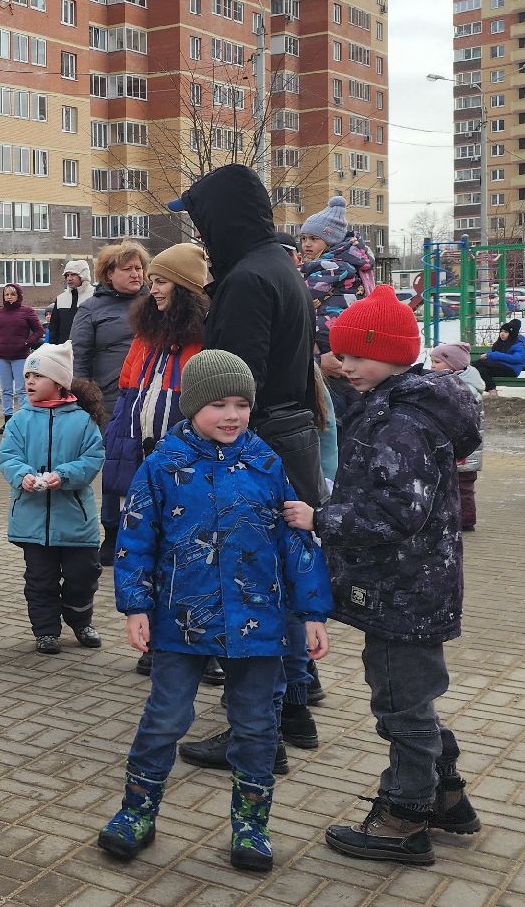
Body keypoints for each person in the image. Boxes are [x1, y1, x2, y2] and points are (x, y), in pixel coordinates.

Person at [100, 349, 332, 873]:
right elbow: (134, 539)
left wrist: (312, 612)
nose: (232, 416)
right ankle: (137, 812)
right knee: (165, 718)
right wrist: (135, 605)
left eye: (241, 405)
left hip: (260, 623)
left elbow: (295, 544)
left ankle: (251, 826)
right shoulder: (162, 465)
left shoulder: (267, 464)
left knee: (256, 725)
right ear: (193, 406)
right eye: (218, 405)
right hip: (182, 620)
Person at [285, 287, 483, 865]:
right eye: (340, 355)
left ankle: (404, 816)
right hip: (409, 586)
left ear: (391, 353)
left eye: (355, 356)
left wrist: (322, 519)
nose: (343, 365)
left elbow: (399, 512)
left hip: (406, 590)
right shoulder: (392, 405)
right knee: (413, 698)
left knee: (401, 705)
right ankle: (446, 797)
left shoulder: (403, 421)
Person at [167, 166, 326, 774]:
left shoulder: (246, 280)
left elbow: (233, 389)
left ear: (222, 217)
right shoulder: (280, 266)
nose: (199, 234)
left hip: (260, 445)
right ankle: (292, 710)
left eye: (200, 220)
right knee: (280, 583)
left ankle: (256, 736)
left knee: (249, 589)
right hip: (292, 437)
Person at [100, 242, 209, 675]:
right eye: (152, 281)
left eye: (161, 281)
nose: (153, 289)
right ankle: (158, 644)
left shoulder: (204, 340)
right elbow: (129, 395)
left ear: (184, 286)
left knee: (193, 555)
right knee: (152, 553)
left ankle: (203, 646)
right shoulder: (146, 333)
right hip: (144, 458)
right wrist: (120, 448)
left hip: (188, 464)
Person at [0, 342, 107, 655]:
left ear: (59, 383)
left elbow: (93, 458)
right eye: (27, 375)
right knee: (40, 580)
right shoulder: (19, 420)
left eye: (38, 375)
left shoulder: (82, 421)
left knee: (83, 575)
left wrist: (65, 475)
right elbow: (8, 457)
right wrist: (22, 475)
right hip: (32, 522)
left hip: (75, 522)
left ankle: (79, 618)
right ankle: (46, 631)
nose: (29, 381)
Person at [298, 196, 377, 419]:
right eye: (303, 238)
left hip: (328, 333)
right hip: (339, 334)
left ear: (331, 240)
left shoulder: (332, 266)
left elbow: (304, 296)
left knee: (334, 397)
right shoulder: (348, 263)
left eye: (314, 239)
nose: (306, 244)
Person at [71, 241, 149, 400]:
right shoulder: (90, 309)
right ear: (109, 274)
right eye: (127, 269)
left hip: (150, 396)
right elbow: (78, 359)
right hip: (109, 399)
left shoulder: (156, 304)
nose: (135, 274)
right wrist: (84, 399)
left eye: (138, 268)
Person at [427, 343, 485, 532]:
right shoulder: (455, 384)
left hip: (463, 447)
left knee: (464, 486)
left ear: (454, 365)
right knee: (454, 484)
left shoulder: (462, 389)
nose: (433, 366)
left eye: (437, 362)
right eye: (431, 361)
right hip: (460, 446)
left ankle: (465, 520)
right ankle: (456, 518)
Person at [0, 283, 45, 431]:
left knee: (22, 389)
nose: (9, 297)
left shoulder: (27, 312)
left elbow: (38, 331)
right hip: (1, 356)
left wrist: (27, 343)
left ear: (18, 296)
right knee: (6, 390)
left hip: (20, 356)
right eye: (6, 294)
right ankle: (8, 420)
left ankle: (24, 421)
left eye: (12, 294)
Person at [472, 319, 525, 394]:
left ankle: (464, 371)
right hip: (499, 367)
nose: (502, 334)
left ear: (511, 334)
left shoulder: (518, 344)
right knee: (481, 369)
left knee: (480, 364)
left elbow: (518, 358)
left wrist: (493, 355)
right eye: (501, 331)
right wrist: (488, 355)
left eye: (506, 332)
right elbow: (492, 353)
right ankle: (492, 390)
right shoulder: (500, 343)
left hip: (511, 369)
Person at [48, 259, 93, 344]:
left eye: (73, 275)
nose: (69, 278)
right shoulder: (61, 298)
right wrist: (54, 348)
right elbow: (54, 329)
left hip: (88, 348)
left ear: (83, 275)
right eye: (67, 275)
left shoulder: (94, 296)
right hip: (64, 348)